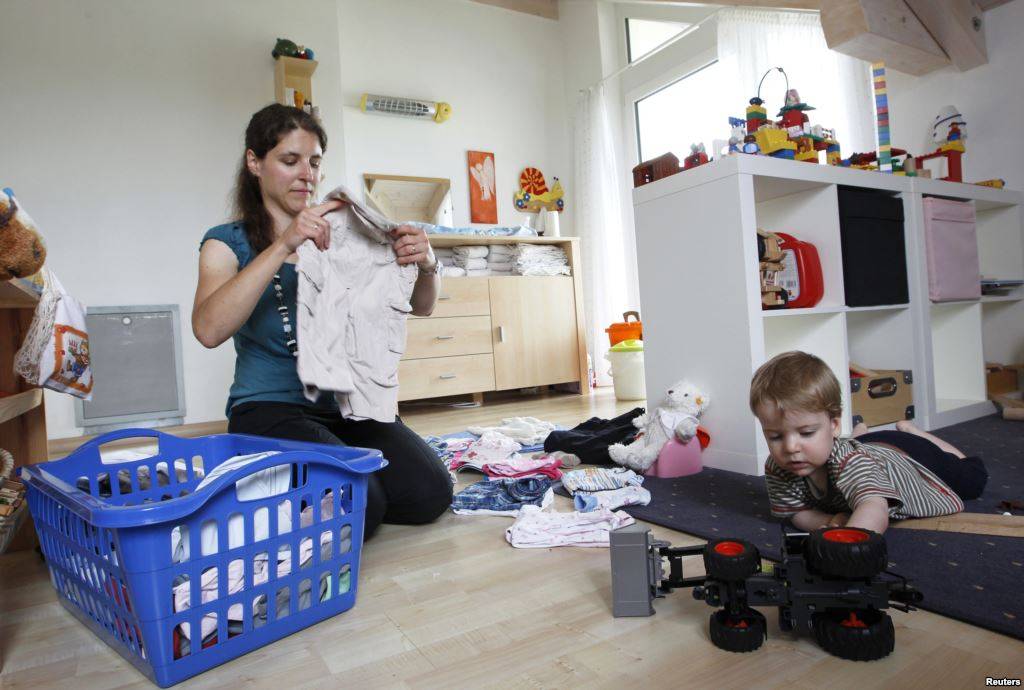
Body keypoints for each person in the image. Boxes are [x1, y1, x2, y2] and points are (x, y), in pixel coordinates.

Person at [192, 103, 452, 539]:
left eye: (313, 162)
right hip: (269, 409)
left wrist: (426, 264)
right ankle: (313, 492)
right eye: (289, 161)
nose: (306, 174)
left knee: (430, 493)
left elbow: (422, 305)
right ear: (255, 163)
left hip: (346, 407)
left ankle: (314, 491)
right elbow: (208, 330)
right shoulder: (226, 243)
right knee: (362, 500)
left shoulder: (345, 234)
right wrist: (282, 246)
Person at [749, 351, 988, 534]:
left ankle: (916, 432)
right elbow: (796, 512)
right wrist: (829, 522)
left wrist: (851, 541)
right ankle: (860, 432)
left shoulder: (852, 462)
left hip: (910, 456)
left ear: (834, 424)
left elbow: (874, 506)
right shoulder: (778, 466)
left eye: (807, 433)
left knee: (972, 478)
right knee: (857, 446)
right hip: (867, 445)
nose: (790, 448)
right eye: (775, 436)